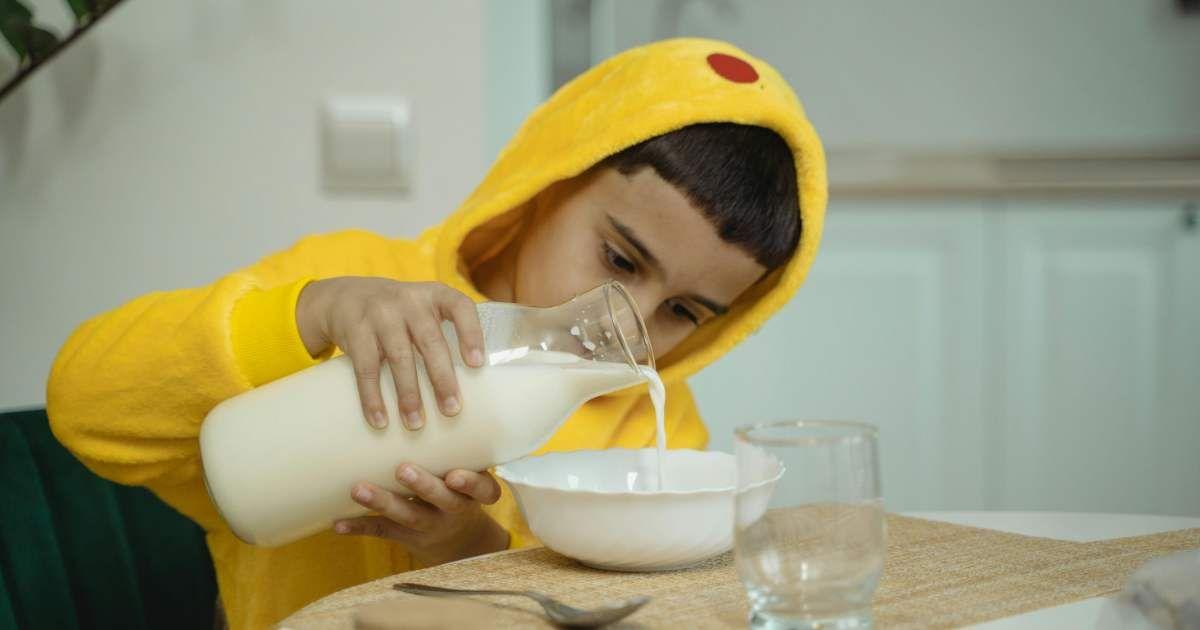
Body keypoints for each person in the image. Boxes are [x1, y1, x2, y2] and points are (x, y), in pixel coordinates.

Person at [46, 38, 826, 629]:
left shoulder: (653, 426)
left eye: (685, 312)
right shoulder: (348, 291)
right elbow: (85, 408)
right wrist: (308, 315)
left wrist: (467, 547)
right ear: (545, 184)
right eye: (620, 258)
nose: (632, 322)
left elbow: (639, 611)